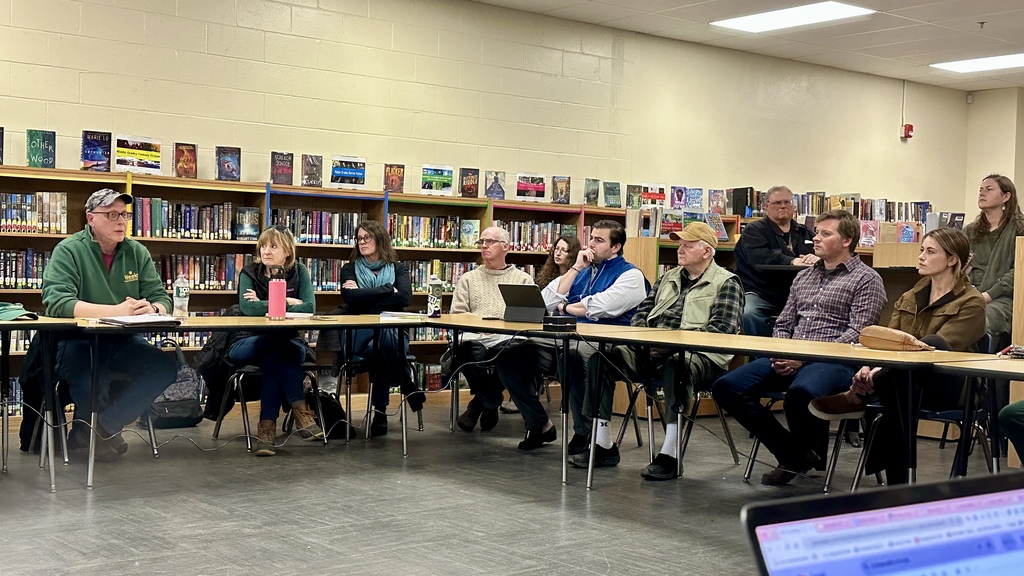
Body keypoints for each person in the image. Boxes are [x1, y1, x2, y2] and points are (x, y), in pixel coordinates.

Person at [711, 209, 886, 486]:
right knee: (726, 387)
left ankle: (803, 456)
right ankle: (794, 454)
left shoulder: (866, 279)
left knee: (801, 391)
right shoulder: (804, 277)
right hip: (792, 356)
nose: (815, 238)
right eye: (817, 232)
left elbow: (858, 334)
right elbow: (783, 323)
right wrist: (783, 351)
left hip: (836, 360)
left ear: (847, 240)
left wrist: (801, 359)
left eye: (825, 233)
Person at [809, 228, 986, 484]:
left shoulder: (972, 301)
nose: (922, 257)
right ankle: (898, 487)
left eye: (930, 251)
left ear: (952, 259)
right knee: (900, 386)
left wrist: (879, 373)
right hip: (904, 379)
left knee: (932, 344)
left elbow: (941, 349)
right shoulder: (910, 297)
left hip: (950, 383)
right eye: (921, 250)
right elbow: (887, 341)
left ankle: (856, 395)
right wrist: (871, 366)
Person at [574, 222, 743, 478]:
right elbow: (641, 313)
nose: (680, 249)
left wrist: (670, 344)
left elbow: (721, 331)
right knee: (602, 358)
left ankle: (670, 454)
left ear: (707, 251)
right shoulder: (667, 277)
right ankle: (603, 443)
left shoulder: (727, 282)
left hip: (701, 357)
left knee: (678, 365)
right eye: (680, 244)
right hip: (651, 349)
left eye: (688, 245)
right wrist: (647, 339)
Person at [41, 188, 178, 462]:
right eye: (112, 214)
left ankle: (100, 428)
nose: (121, 221)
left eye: (124, 215)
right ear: (91, 219)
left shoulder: (136, 251)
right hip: (76, 339)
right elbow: (57, 302)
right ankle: (95, 432)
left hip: (121, 340)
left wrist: (152, 308)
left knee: (165, 366)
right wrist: (113, 311)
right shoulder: (69, 250)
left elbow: (162, 297)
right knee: (92, 375)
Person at [495, 220, 647, 451]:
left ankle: (584, 432)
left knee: (574, 355)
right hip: (565, 336)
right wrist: (575, 269)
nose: (591, 245)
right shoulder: (582, 270)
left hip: (605, 343)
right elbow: (544, 302)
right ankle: (539, 424)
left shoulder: (631, 275)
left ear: (615, 247)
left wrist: (566, 308)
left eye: (599, 240)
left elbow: (598, 307)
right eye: (591, 238)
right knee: (509, 353)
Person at [229, 225, 321, 456]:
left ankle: (266, 430)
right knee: (279, 349)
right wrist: (288, 301)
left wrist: (264, 301)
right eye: (263, 246)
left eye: (273, 246)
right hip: (248, 342)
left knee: (275, 358)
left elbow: (310, 307)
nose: (265, 251)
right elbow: (247, 309)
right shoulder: (249, 272)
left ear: (288, 251)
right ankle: (300, 409)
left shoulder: (299, 272)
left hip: (289, 343)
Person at [450, 226, 535, 432]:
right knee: (464, 353)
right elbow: (457, 314)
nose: (484, 245)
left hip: (508, 339)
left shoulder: (522, 279)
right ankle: (491, 400)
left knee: (513, 356)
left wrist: (499, 329)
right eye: (482, 242)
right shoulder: (468, 279)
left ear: (506, 247)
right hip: (476, 335)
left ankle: (479, 404)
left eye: (490, 241)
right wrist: (481, 327)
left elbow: (530, 318)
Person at [339, 220, 418, 437]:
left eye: (367, 238)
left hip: (390, 331)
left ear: (379, 239)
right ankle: (405, 383)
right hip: (359, 331)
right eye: (359, 239)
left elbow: (404, 297)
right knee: (383, 336)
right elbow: (350, 299)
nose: (361, 242)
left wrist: (365, 295)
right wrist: (386, 290)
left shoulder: (398, 267)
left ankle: (381, 411)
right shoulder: (350, 268)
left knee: (382, 341)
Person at [734, 185, 818, 337]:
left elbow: (822, 250)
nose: (783, 206)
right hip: (761, 293)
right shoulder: (754, 231)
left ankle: (803, 356)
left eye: (787, 202)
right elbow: (760, 258)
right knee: (748, 313)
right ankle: (765, 356)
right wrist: (792, 262)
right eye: (777, 203)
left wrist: (818, 258)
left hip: (800, 295)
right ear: (766, 206)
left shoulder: (804, 231)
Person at [964, 174, 1024, 346]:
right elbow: (958, 266)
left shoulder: (1020, 228)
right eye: (980, 190)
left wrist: (988, 295)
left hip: (1005, 299)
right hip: (970, 295)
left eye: (989, 189)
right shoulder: (969, 231)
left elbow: (1019, 271)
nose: (982, 193)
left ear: (1006, 196)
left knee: (982, 318)